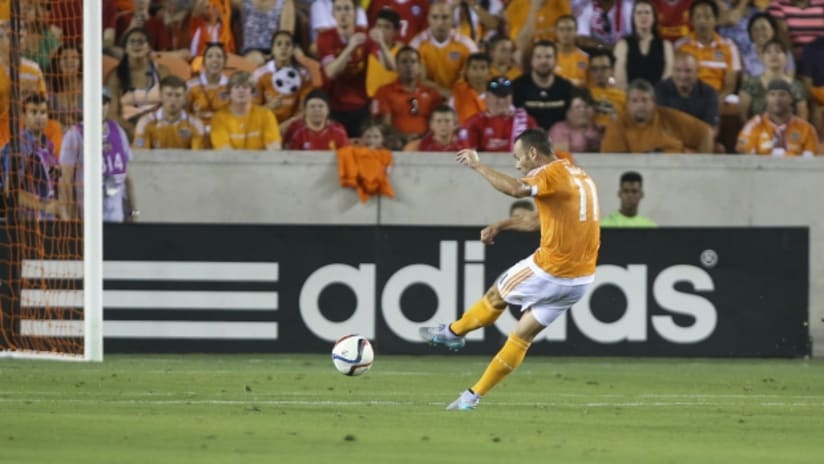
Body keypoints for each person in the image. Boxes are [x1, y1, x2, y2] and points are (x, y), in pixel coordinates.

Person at [419, 128, 600, 411]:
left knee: (495, 295)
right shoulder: (579, 174)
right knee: (521, 337)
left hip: (550, 270)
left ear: (533, 153)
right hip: (580, 281)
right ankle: (471, 396)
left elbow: (516, 189)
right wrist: (502, 225)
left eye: (518, 158)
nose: (518, 166)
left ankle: (453, 332)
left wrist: (477, 164)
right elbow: (537, 221)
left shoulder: (550, 173)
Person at [317, 0, 396, 137]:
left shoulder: (363, 34)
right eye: (339, 9)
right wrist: (350, 48)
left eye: (347, 9)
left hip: (359, 105)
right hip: (332, 105)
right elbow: (330, 72)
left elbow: (390, 66)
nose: (343, 13)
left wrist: (382, 44)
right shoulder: (325, 38)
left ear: (355, 13)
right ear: (333, 14)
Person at [59, 87, 138, 222]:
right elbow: (65, 181)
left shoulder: (118, 131)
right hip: (87, 217)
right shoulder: (74, 134)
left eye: (103, 103)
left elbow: (127, 177)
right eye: (95, 103)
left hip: (115, 216)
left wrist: (134, 212)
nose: (100, 107)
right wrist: (70, 218)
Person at [600, 78, 714, 153]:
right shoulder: (618, 126)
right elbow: (614, 161)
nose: (640, 106)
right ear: (627, 104)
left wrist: (703, 167)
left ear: (654, 102)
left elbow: (706, 133)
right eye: (635, 101)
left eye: (645, 100)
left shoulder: (668, 116)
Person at [0, 94, 60, 220]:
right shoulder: (19, 146)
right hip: (24, 224)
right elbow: (10, 190)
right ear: (24, 116)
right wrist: (43, 206)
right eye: (33, 112)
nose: (39, 117)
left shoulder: (48, 145)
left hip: (48, 223)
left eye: (43, 112)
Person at [106, 27, 171, 141]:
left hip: (158, 125)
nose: (137, 45)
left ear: (149, 47)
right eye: (132, 42)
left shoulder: (162, 72)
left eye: (141, 41)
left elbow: (171, 102)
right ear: (125, 48)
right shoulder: (115, 76)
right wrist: (134, 129)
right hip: (127, 128)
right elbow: (111, 114)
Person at [674, 0, 741, 105]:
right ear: (691, 21)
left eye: (707, 17)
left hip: (717, 99)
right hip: (688, 100)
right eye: (698, 17)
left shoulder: (729, 47)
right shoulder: (681, 46)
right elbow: (676, 80)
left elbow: (729, 85)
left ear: (716, 20)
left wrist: (714, 102)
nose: (703, 21)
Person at [371, 46, 442, 141]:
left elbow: (438, 122)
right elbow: (384, 124)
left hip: (427, 143)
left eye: (413, 61)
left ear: (419, 66)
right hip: (395, 143)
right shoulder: (384, 91)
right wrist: (403, 137)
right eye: (404, 62)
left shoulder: (432, 93)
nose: (409, 65)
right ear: (396, 66)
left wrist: (423, 139)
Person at [409, 1, 478, 98]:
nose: (440, 23)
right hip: (427, 98)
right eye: (435, 17)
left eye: (445, 17)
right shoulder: (417, 44)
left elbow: (474, 78)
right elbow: (419, 80)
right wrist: (448, 94)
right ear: (428, 19)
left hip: (460, 97)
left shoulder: (467, 44)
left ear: (452, 19)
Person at [736, 79, 819, 156]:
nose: (777, 99)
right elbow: (746, 154)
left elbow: (810, 159)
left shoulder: (806, 128)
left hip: (795, 170)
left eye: (782, 94)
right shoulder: (754, 125)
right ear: (766, 98)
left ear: (791, 98)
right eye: (772, 94)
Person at [459, 76, 537, 152]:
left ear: (511, 97)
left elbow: (535, 152)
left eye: (505, 96)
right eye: (497, 96)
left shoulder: (526, 121)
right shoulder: (474, 123)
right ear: (487, 97)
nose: (501, 101)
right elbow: (467, 156)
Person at [253, 31, 313, 126]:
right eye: (279, 44)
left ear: (293, 49)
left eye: (288, 44)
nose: (283, 47)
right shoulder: (260, 74)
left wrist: (286, 126)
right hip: (266, 123)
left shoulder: (304, 75)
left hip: (293, 125)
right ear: (272, 49)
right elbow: (253, 112)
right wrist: (269, 107)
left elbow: (304, 110)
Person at [739, 38, 808, 121]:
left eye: (778, 51)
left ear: (786, 57)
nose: (773, 55)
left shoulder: (796, 85)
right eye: (768, 52)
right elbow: (742, 115)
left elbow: (802, 118)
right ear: (762, 57)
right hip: (757, 132)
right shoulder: (750, 83)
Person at [210, 71, 282, 150]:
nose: (241, 91)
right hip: (231, 161)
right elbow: (224, 150)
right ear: (230, 93)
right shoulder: (218, 118)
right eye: (236, 87)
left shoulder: (266, 114)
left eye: (245, 87)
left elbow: (274, 146)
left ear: (252, 92)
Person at [512, 40, 575, 131]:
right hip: (527, 139)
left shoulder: (566, 87)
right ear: (531, 60)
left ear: (556, 60)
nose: (543, 61)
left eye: (548, 57)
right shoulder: (517, 86)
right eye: (538, 57)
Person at [613, 0, 673, 90]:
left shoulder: (666, 45)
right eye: (639, 13)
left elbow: (668, 77)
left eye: (647, 13)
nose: (643, 16)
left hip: (659, 99)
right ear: (633, 18)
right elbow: (620, 80)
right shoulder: (622, 45)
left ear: (654, 18)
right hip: (629, 98)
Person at [134, 75, 207, 149]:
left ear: (185, 98)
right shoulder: (145, 123)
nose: (173, 100)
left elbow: (198, 158)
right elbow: (140, 157)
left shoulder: (195, 125)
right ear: (161, 96)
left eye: (178, 95)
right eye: (169, 95)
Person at [654, 52, 720, 128]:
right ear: (672, 71)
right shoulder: (660, 89)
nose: (683, 76)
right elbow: (661, 125)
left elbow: (711, 127)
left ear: (697, 72)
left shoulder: (709, 92)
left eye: (688, 71)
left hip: (699, 138)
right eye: (678, 70)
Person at [186, 42, 231, 142]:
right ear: (203, 62)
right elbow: (184, 113)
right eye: (210, 56)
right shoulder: (191, 86)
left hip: (225, 131)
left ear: (225, 62)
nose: (214, 59)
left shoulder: (231, 86)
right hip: (197, 131)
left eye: (219, 56)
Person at [283, 88, 350, 150]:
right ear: (305, 110)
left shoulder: (338, 131)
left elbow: (346, 155)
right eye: (312, 106)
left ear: (328, 110)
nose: (317, 110)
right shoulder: (296, 129)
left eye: (321, 106)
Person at [548, 88, 604, 153]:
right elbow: (561, 157)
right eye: (578, 107)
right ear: (567, 112)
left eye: (586, 106)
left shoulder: (599, 129)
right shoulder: (559, 130)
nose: (583, 110)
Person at [587, 50, 626, 127]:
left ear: (612, 70)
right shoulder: (584, 94)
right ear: (590, 71)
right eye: (594, 69)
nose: (599, 72)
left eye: (604, 68)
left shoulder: (623, 97)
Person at [450, 52, 490, 124]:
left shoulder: (496, 94)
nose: (479, 72)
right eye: (474, 68)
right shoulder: (459, 93)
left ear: (489, 71)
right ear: (467, 71)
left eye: (483, 68)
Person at [553, 15, 589, 87]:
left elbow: (588, 82)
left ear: (576, 31)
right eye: (561, 29)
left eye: (569, 29)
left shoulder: (585, 58)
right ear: (556, 31)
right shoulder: (548, 56)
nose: (565, 33)